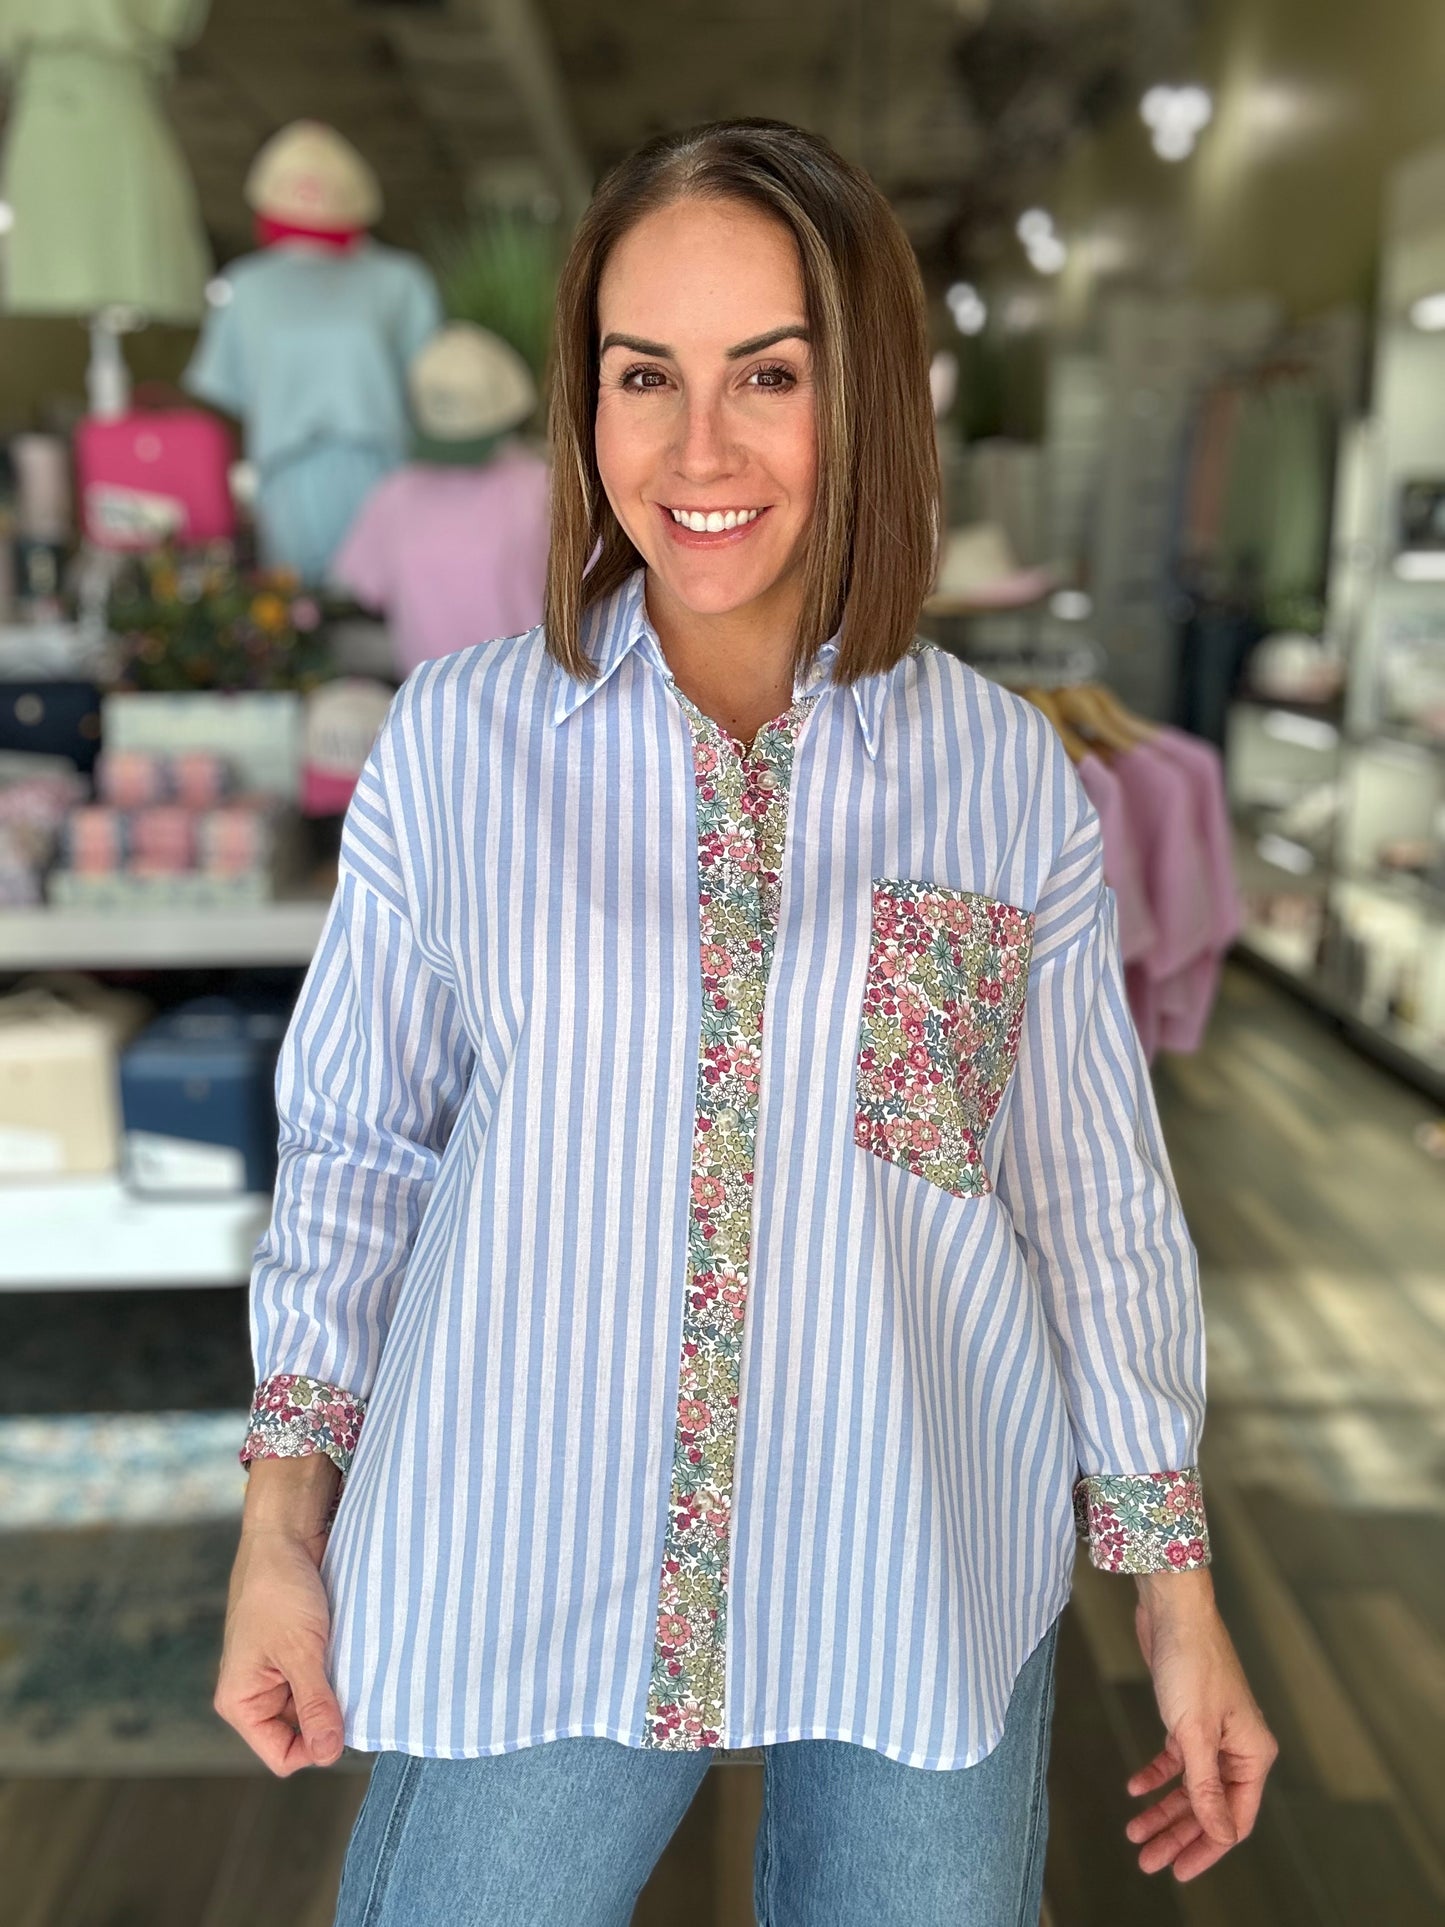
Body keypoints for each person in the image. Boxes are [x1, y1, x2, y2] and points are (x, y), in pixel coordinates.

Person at [215, 118, 1278, 1926]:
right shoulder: (462, 745)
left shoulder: (1002, 780)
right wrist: (280, 1526)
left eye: (766, 376)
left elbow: (1082, 1194)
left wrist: (1176, 1596)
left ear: (860, 396)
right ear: (585, 400)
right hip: (524, 1539)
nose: (697, 452)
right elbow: (359, 1151)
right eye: (646, 377)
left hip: (914, 1544)